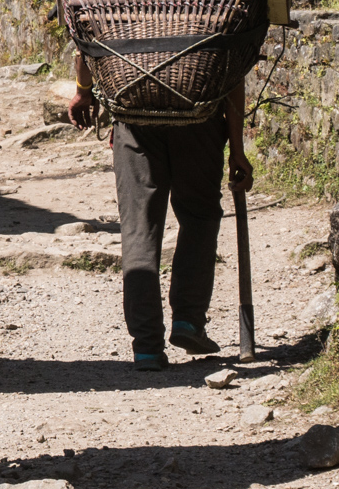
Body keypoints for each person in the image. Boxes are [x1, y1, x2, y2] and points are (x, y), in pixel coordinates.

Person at [66, 56, 253, 371]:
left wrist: (84, 90)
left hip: (135, 120)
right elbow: (232, 73)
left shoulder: (118, 7)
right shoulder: (211, 9)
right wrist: (237, 149)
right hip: (199, 118)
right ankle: (189, 320)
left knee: (139, 228)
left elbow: (84, 50)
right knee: (199, 216)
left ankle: (147, 347)